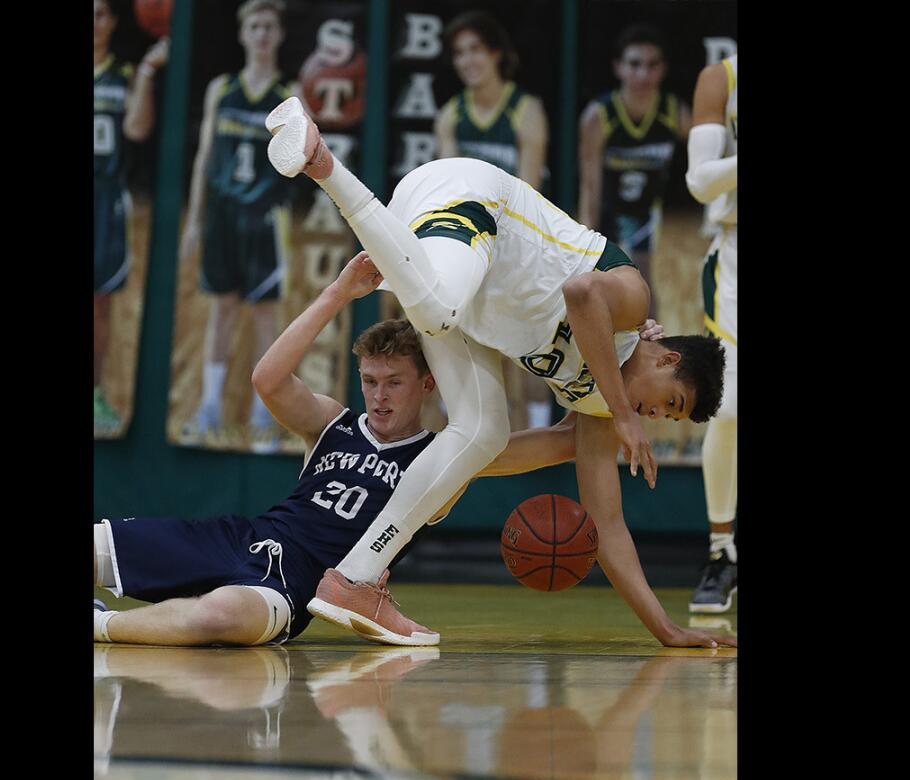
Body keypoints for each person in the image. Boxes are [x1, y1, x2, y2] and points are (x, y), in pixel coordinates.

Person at [265, 99, 734, 649]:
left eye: (664, 417)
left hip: (454, 278)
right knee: (438, 308)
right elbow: (581, 293)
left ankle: (356, 579)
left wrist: (668, 630)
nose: (656, 417)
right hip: (475, 201)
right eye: (670, 403)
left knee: (480, 433)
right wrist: (626, 414)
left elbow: (608, 528)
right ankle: (323, 161)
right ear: (666, 358)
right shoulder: (632, 302)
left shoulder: (598, 407)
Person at [94, 253, 599, 646]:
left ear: (427, 384)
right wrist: (338, 293)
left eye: (393, 383)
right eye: (370, 381)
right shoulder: (333, 423)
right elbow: (268, 379)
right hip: (242, 537)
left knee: (221, 616)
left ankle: (104, 624)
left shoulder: (449, 455)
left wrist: (615, 351)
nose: (378, 396)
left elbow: (565, 439)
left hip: (296, 585)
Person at [178, 0, 297, 451]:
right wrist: (194, 219)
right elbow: (205, 156)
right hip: (223, 216)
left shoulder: (290, 91)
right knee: (220, 311)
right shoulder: (221, 88)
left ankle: (261, 414)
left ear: (280, 35)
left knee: (266, 315)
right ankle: (209, 405)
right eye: (255, 26)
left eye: (269, 26)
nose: (262, 33)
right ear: (243, 34)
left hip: (265, 218)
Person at [433, 10, 554, 431]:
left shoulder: (526, 110)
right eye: (459, 53)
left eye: (476, 51)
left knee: (533, 343)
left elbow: (529, 193)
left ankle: (538, 430)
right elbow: (448, 191)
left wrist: (502, 250)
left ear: (496, 54)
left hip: (522, 241)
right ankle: (465, 430)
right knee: (466, 339)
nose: (467, 61)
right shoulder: (451, 115)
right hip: (472, 243)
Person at [578, 24, 690, 318]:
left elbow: (701, 163)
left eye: (652, 65)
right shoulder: (599, 116)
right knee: (604, 289)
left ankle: (655, 352)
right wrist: (584, 239)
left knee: (647, 287)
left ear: (663, 69)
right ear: (618, 67)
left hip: (648, 213)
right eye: (634, 64)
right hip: (609, 213)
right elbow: (589, 185)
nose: (643, 74)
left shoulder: (674, 111)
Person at [93, 0, 166, 434]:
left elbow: (137, 130)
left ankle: (96, 394)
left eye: (100, 14)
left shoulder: (121, 78)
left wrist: (146, 74)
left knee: (99, 307)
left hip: (104, 200)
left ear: (113, 23)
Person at [684, 54, 738, 613]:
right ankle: (723, 551)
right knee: (726, 410)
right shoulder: (722, 77)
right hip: (735, 258)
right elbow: (700, 181)